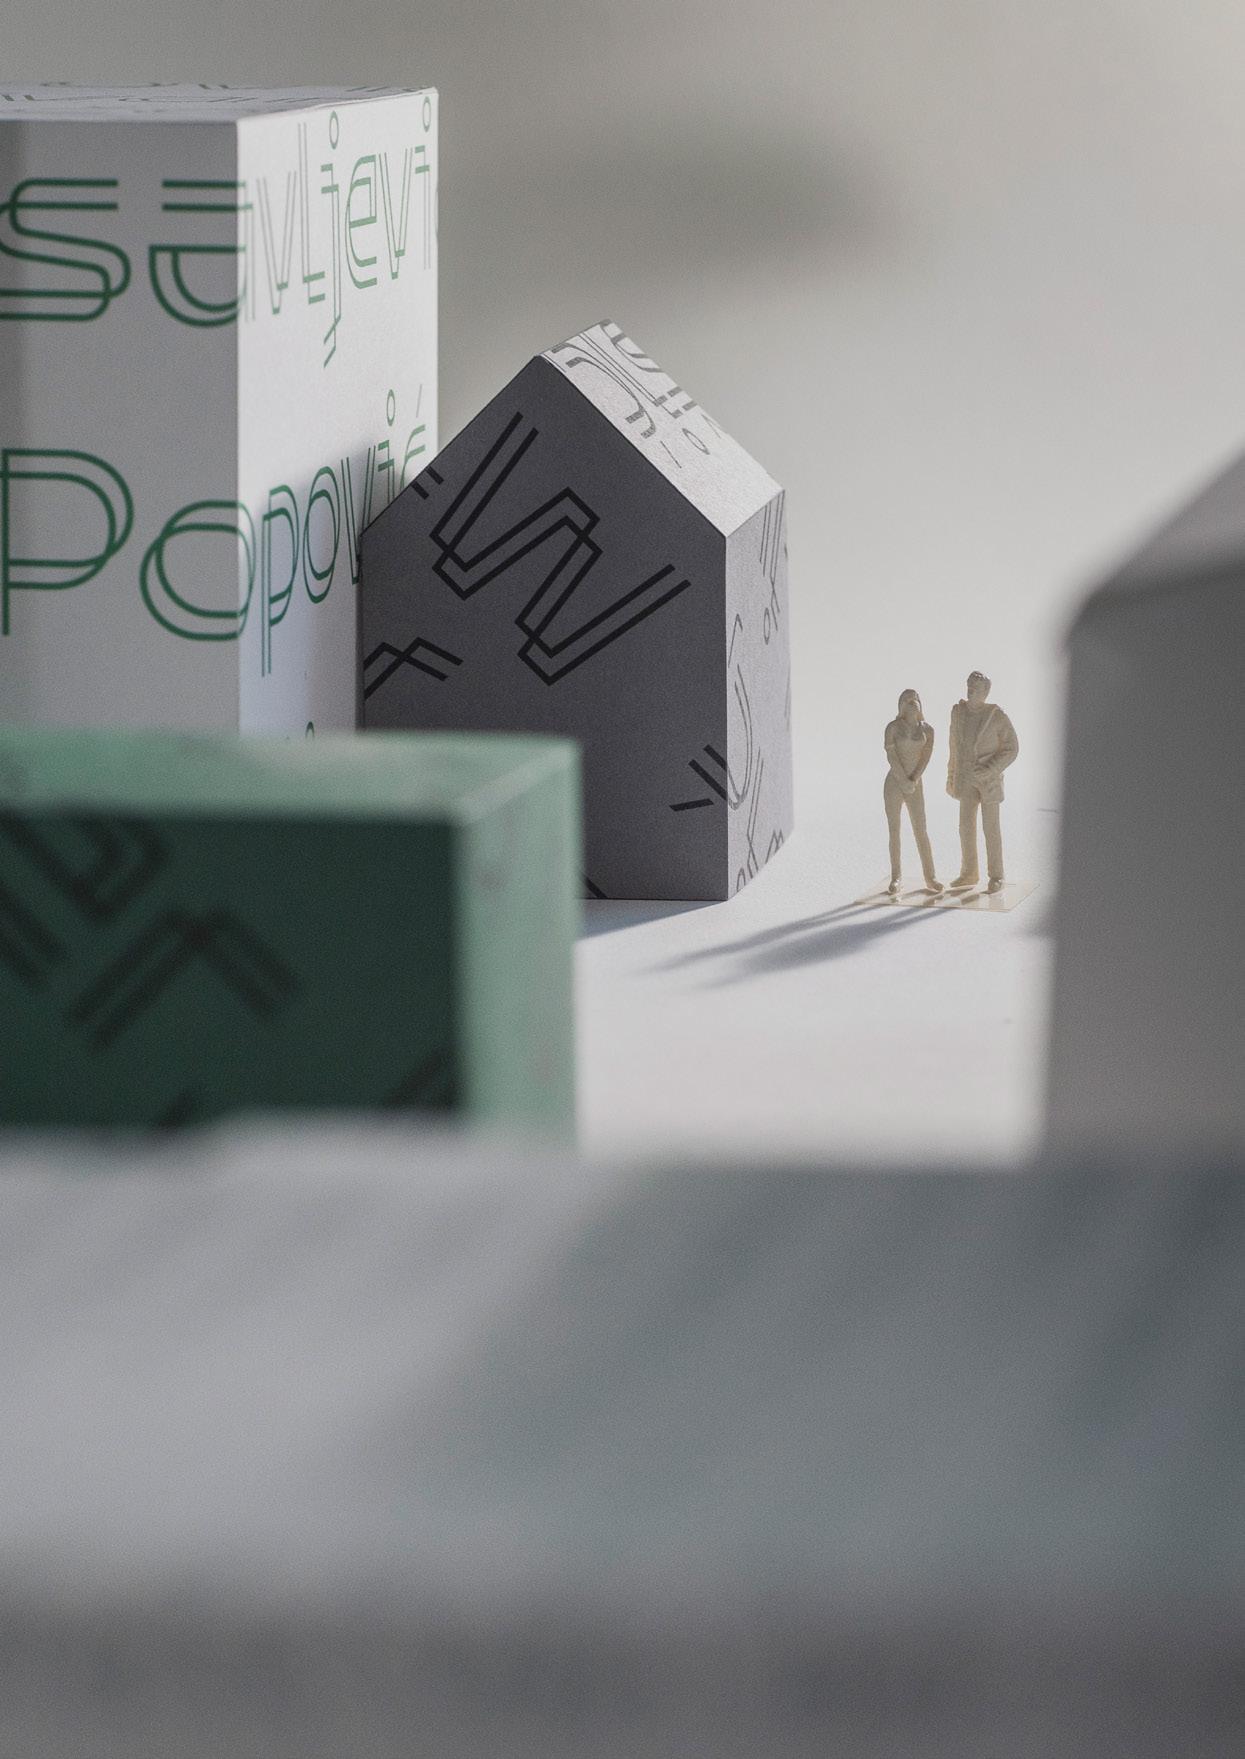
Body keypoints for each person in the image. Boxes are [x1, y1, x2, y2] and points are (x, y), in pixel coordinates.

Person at [946, 671, 1018, 894]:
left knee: (991, 829)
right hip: (965, 778)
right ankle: (969, 872)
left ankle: (996, 875)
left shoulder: (996, 716)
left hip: (989, 782)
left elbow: (1012, 749)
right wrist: (951, 776)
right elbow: (954, 747)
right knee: (965, 827)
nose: (970, 691)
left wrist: (989, 769)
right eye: (969, 686)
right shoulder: (959, 713)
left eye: (976, 688)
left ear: (986, 692)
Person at [884, 689, 942, 895]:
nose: (912, 703)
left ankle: (930, 877)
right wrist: (903, 780)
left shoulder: (928, 730)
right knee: (894, 831)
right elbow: (891, 756)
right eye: (907, 700)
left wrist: (914, 779)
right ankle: (896, 877)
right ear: (901, 705)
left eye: (915, 699)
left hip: (915, 784)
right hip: (894, 783)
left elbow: (925, 758)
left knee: (921, 830)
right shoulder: (892, 728)